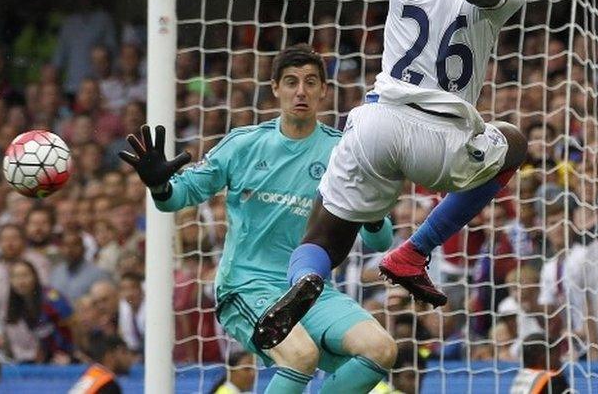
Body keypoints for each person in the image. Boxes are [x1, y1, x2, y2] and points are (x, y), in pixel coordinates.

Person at [255, 0, 527, 349]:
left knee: (322, 239)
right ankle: (415, 251)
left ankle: (304, 282)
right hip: (446, 143)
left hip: (378, 123)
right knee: (511, 141)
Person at [121, 44, 398, 394]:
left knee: (381, 349)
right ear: (275, 88)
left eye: (311, 82)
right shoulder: (243, 145)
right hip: (246, 287)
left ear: (324, 91)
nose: (301, 91)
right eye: (292, 81)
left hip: (310, 290)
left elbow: (380, 241)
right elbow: (176, 197)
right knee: (299, 356)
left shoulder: (343, 153)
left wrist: (371, 210)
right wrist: (159, 184)